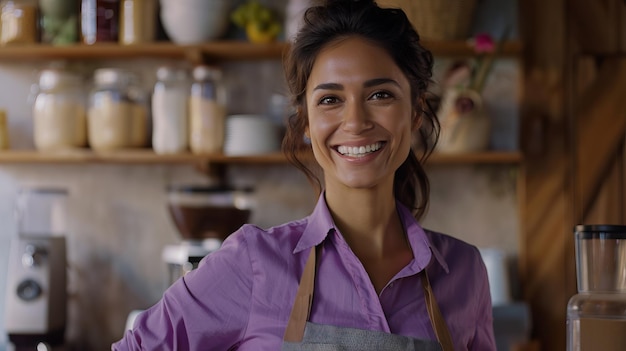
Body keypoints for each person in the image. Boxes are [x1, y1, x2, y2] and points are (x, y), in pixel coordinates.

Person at [112, 0, 496, 350]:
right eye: (330, 100)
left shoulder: (464, 272)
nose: (356, 122)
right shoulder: (253, 264)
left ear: (414, 112)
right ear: (307, 123)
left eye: (380, 95)